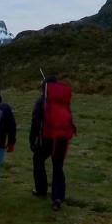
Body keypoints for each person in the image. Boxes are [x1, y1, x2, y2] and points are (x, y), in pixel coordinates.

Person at [29, 75, 77, 211]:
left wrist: (32, 141)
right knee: (58, 167)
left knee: (38, 159)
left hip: (47, 138)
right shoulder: (62, 101)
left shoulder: (41, 102)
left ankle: (41, 189)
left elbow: (35, 123)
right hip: (62, 139)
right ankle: (57, 199)